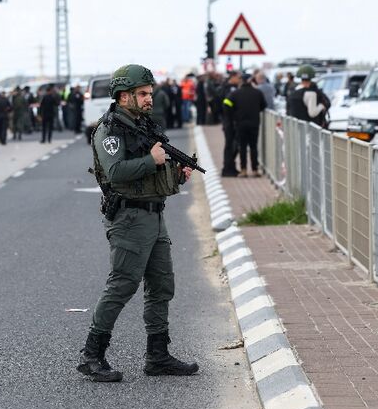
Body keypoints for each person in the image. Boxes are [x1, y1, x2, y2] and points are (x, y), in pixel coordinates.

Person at [77, 64, 199, 383]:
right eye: (142, 94)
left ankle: (157, 355)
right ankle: (92, 355)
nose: (148, 99)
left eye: (149, 93)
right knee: (123, 283)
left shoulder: (143, 126)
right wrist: (153, 160)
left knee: (162, 285)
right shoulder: (109, 131)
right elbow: (116, 172)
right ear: (123, 96)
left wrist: (175, 174)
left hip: (153, 215)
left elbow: (152, 174)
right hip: (129, 218)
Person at [229, 73, 268, 177]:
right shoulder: (258, 92)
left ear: (241, 81)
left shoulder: (235, 93)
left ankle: (243, 170)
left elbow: (227, 104)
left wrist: (233, 115)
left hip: (240, 124)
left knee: (242, 147)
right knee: (253, 147)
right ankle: (255, 170)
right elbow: (264, 106)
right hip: (254, 123)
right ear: (251, 81)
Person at [219, 72, 242, 177]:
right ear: (233, 77)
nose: (239, 79)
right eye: (238, 77)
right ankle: (228, 169)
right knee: (230, 145)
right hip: (230, 122)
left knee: (233, 145)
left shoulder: (227, 87)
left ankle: (230, 167)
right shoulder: (230, 89)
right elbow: (227, 106)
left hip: (229, 121)